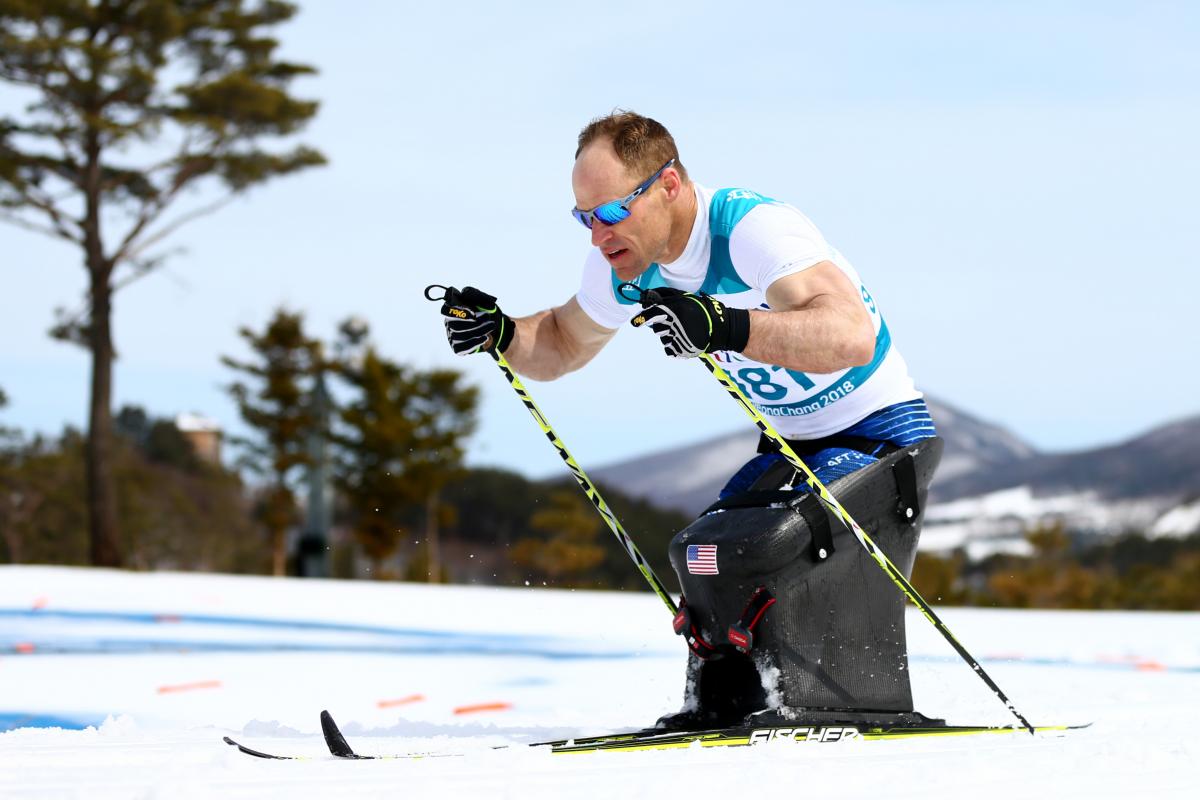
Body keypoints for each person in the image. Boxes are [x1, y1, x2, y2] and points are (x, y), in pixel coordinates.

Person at [440, 111, 942, 729]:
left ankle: (839, 700)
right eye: (584, 217)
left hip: (882, 435)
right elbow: (564, 343)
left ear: (668, 185)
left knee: (767, 547)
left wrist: (724, 324)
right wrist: (503, 332)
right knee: (704, 552)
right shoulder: (624, 262)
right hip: (791, 445)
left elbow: (850, 337)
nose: (599, 235)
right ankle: (728, 703)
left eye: (612, 212)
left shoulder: (753, 230)